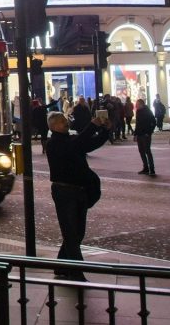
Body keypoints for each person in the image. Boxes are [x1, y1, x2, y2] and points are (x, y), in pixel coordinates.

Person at [45, 111, 109, 280]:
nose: (65, 123)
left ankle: (61, 265)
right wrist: (93, 125)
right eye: (61, 121)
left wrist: (105, 131)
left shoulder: (70, 140)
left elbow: (90, 144)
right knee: (71, 233)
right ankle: (76, 271)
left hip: (79, 190)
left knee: (77, 232)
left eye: (65, 120)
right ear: (52, 127)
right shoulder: (54, 144)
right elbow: (78, 143)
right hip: (64, 192)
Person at [134, 98, 156, 176]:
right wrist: (135, 134)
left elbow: (153, 122)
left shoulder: (147, 111)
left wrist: (149, 132)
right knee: (141, 151)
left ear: (142, 104)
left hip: (145, 135)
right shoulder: (138, 112)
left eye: (137, 104)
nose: (136, 106)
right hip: (140, 134)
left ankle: (151, 169)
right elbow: (137, 124)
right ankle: (146, 167)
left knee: (147, 151)